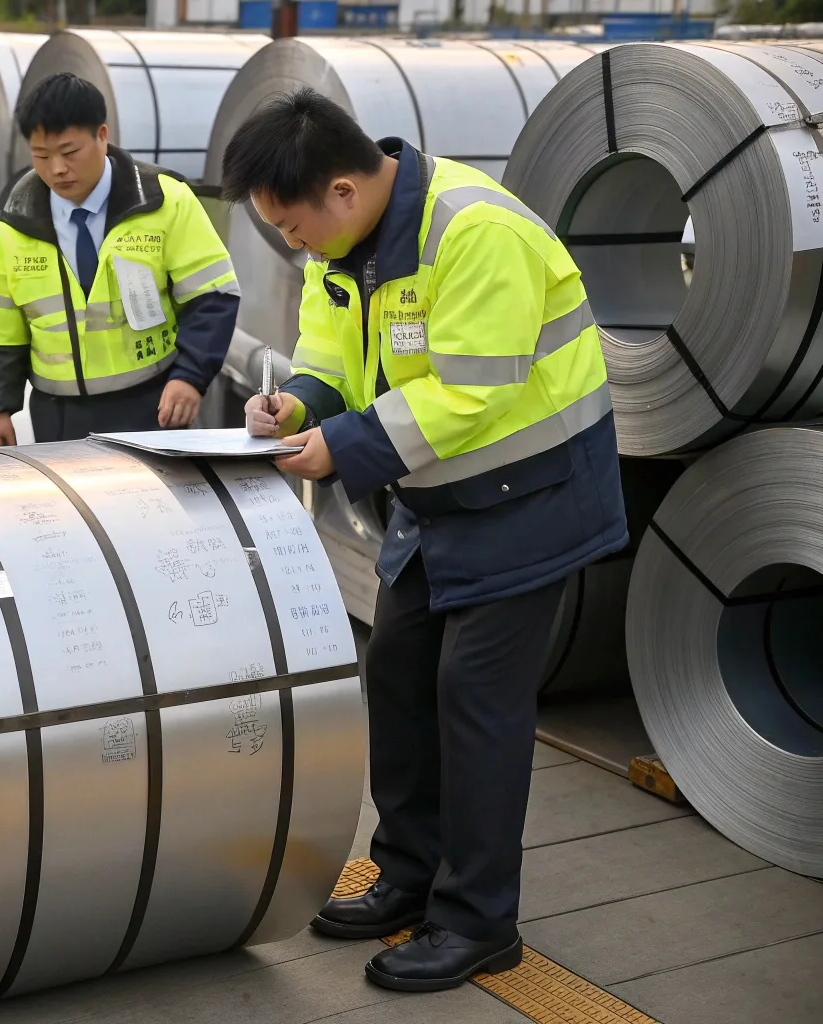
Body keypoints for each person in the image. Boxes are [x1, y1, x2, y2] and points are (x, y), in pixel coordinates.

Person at [220, 91, 626, 991]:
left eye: (292, 226)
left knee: (475, 699)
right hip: (438, 498)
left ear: (340, 188)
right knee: (397, 671)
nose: (293, 243)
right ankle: (408, 874)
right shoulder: (349, 246)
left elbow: (471, 391)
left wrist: (344, 448)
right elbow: (331, 352)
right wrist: (301, 404)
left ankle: (480, 921)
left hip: (533, 495)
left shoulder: (477, 234)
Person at [0, 71, 240, 444]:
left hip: (153, 404)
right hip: (58, 415)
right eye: (41, 156)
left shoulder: (164, 200)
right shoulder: (11, 221)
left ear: (102, 135)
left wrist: (190, 377)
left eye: (69, 153)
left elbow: (213, 295)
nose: (57, 169)